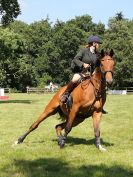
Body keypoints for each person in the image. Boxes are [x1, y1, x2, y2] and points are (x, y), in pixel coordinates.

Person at [60, 35, 102, 103]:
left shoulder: (98, 54)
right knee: (75, 78)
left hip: (92, 74)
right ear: (94, 43)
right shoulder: (83, 51)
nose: (99, 45)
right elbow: (75, 59)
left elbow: (98, 65)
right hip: (82, 72)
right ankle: (66, 94)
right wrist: (83, 64)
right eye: (98, 43)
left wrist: (96, 71)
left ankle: (99, 104)